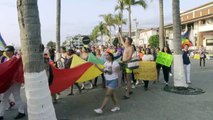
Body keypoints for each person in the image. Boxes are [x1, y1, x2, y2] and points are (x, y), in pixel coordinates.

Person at [0, 46, 25, 120]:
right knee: (4, 98)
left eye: (7, 51)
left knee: (16, 96)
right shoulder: (7, 59)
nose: (6, 52)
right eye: (6, 51)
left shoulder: (16, 59)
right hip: (8, 82)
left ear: (11, 51)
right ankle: (1, 114)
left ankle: (21, 112)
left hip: (15, 82)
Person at [118, 32, 134, 99]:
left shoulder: (131, 47)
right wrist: (119, 34)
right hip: (124, 63)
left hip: (128, 64)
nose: (125, 40)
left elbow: (130, 57)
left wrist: (123, 61)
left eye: (126, 40)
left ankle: (127, 94)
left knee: (128, 79)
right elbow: (121, 41)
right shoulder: (126, 46)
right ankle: (129, 90)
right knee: (126, 78)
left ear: (129, 41)